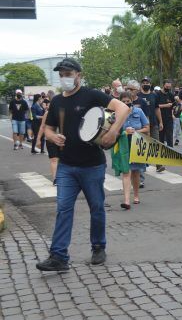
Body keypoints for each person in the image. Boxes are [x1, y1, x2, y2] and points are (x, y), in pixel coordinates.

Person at [35, 58, 129, 272]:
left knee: (96, 207)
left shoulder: (91, 95)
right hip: (66, 165)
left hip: (92, 165)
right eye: (61, 74)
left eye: (68, 73)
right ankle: (58, 256)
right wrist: (52, 137)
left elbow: (123, 109)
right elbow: (48, 128)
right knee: (63, 209)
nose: (65, 77)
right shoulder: (57, 100)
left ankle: (98, 246)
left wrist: (113, 132)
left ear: (79, 74)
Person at [112, 92, 149, 210]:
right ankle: (126, 200)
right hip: (123, 145)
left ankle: (136, 195)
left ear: (132, 100)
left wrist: (136, 131)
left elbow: (147, 128)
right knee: (126, 172)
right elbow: (113, 131)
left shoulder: (139, 112)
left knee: (136, 172)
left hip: (137, 145)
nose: (126, 103)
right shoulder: (116, 114)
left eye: (128, 101)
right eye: (124, 101)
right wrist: (124, 132)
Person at [138, 77, 164, 172]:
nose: (145, 84)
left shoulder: (154, 95)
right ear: (141, 84)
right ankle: (142, 164)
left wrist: (160, 121)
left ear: (150, 84)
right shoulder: (138, 95)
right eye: (144, 82)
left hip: (153, 123)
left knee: (156, 144)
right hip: (141, 125)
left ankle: (159, 165)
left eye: (147, 82)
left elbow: (157, 109)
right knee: (143, 145)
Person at [36, 99, 58, 181]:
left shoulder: (65, 112)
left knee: (63, 160)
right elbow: (42, 127)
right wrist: (38, 139)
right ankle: (55, 178)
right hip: (50, 139)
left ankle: (63, 177)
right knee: (54, 159)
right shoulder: (47, 113)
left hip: (63, 139)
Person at [157, 80, 175, 149]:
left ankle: (171, 151)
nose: (168, 88)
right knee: (161, 137)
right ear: (163, 85)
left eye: (169, 87)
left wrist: (173, 113)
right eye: (167, 86)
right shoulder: (157, 94)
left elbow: (174, 105)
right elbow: (156, 106)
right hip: (160, 118)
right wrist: (165, 105)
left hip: (169, 118)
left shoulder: (170, 94)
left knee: (169, 136)